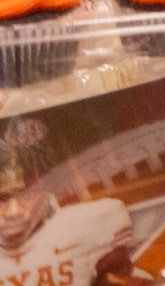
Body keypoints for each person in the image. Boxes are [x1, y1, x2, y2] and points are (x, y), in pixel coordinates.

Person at [0, 119, 135, 286]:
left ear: (45, 185)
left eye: (28, 194)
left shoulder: (92, 223)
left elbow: (120, 276)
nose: (14, 212)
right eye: (2, 199)